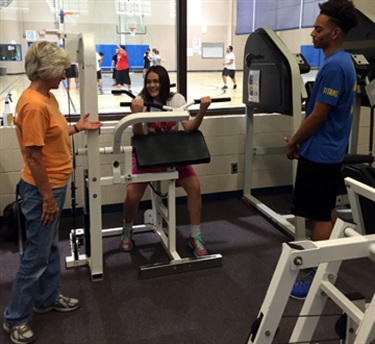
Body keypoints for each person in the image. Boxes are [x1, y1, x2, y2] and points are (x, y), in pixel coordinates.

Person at [2, 41, 102, 344]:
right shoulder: (33, 104)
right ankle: (14, 318)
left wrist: (77, 127)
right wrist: (47, 198)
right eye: (61, 68)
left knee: (48, 249)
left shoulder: (47, 99)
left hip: (53, 187)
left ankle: (46, 298)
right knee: (35, 256)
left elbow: (51, 136)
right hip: (41, 190)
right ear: (46, 70)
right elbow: (33, 156)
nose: (64, 73)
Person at [284, 0, 358, 299]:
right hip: (326, 151)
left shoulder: (336, 66)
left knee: (320, 217)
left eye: (318, 29)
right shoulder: (338, 62)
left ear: (335, 33)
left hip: (322, 154)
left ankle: (316, 275)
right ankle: (326, 266)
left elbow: (318, 115)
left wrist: (294, 141)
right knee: (326, 210)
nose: (313, 33)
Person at [120, 65, 212, 257]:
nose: (152, 85)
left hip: (172, 151)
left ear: (163, 82)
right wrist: (136, 115)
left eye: (156, 81)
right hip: (147, 151)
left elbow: (189, 128)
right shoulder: (141, 101)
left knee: (194, 186)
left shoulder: (176, 99)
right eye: (149, 82)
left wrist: (202, 111)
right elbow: (139, 133)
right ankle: (127, 229)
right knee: (132, 195)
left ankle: (195, 236)